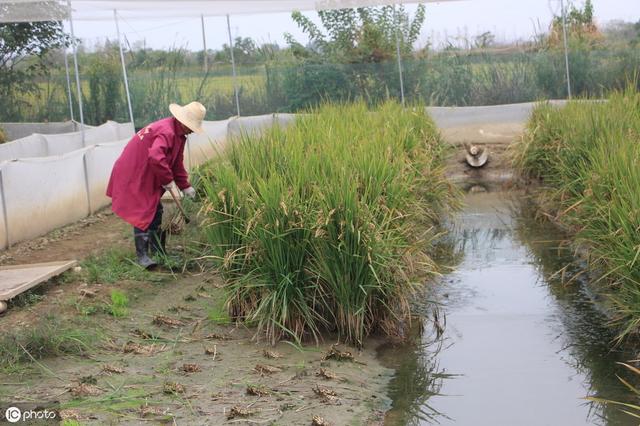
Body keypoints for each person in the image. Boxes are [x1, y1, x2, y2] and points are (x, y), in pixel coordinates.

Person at [106, 101, 206, 268]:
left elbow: (176, 164)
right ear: (182, 121)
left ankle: (158, 250)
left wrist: (185, 186)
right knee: (143, 209)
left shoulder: (179, 135)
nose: (191, 131)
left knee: (156, 209)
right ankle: (142, 256)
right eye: (191, 126)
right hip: (134, 170)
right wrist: (167, 180)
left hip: (147, 169)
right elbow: (155, 156)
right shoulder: (167, 131)